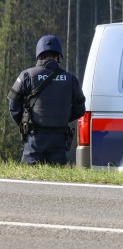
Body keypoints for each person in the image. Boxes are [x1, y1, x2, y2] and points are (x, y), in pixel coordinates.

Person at [7, 35, 86, 165]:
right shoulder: (70, 79)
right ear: (58, 56)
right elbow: (80, 109)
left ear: (39, 55)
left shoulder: (26, 75)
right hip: (59, 139)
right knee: (55, 181)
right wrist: (62, 118)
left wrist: (24, 121)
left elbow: (13, 104)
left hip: (34, 138)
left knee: (29, 180)